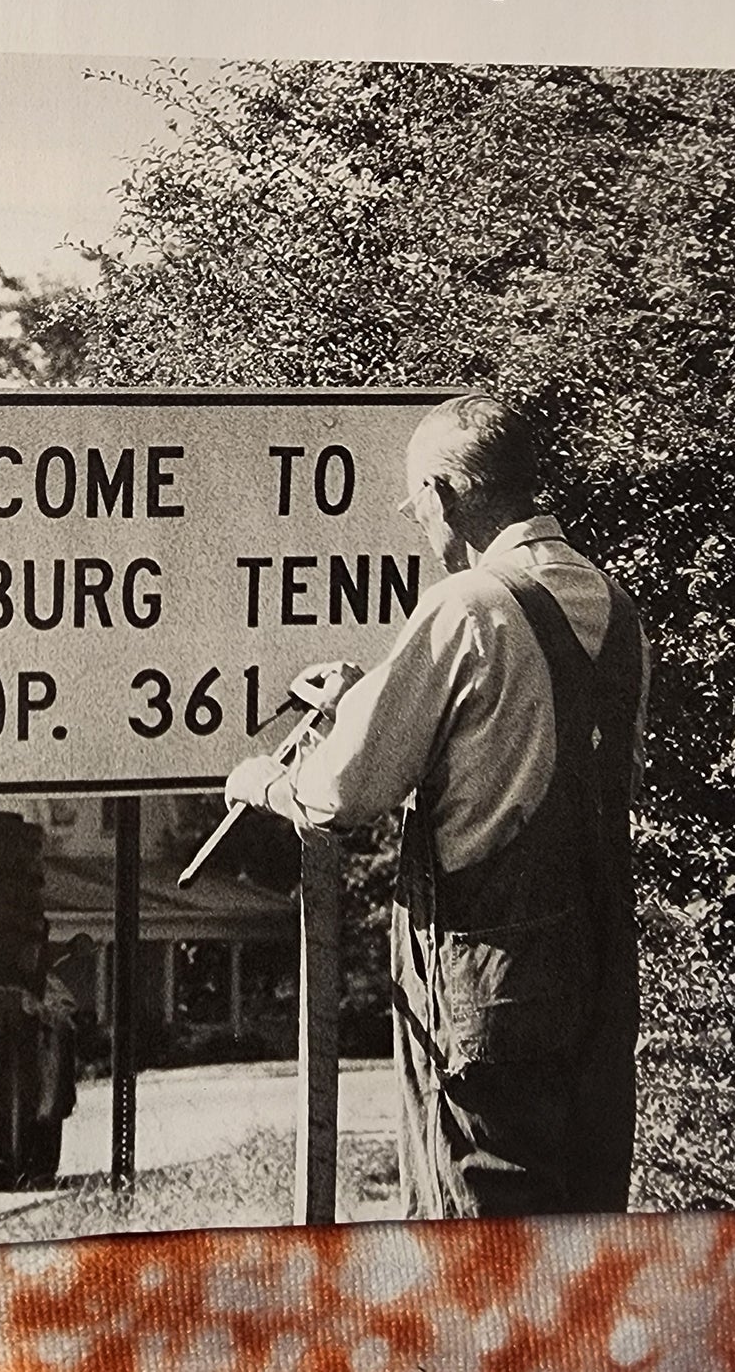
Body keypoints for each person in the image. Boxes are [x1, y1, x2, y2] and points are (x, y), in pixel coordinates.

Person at [225, 394, 648, 1218]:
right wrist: (370, 695)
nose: (419, 523)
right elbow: (530, 745)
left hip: (489, 987)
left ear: (445, 494)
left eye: (415, 503)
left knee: (473, 1257)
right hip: (599, 978)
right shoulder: (616, 608)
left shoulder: (466, 605)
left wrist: (260, 781)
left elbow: (343, 792)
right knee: (589, 1253)